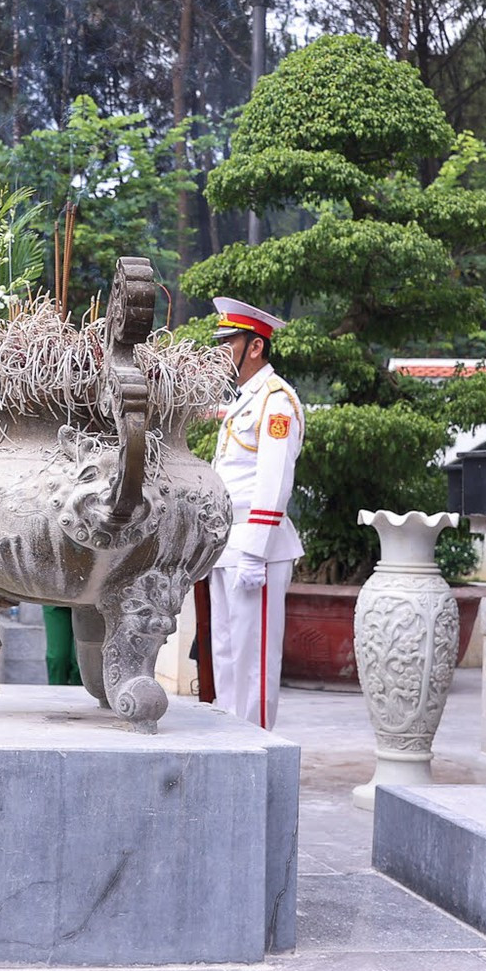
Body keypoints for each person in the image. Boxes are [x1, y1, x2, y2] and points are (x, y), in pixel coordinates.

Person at [206, 297, 305, 730]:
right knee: (226, 652)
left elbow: (274, 479)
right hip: (229, 541)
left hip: (256, 547)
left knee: (256, 658)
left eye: (230, 341)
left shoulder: (276, 401)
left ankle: (257, 744)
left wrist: (255, 551)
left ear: (255, 347)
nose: (222, 350)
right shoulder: (245, 400)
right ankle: (231, 737)